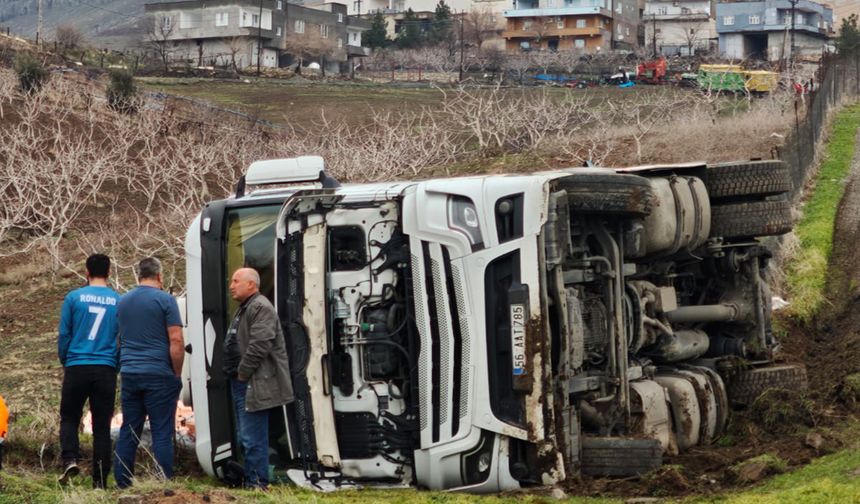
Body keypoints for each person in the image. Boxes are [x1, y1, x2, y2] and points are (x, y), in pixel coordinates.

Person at [114, 257, 184, 489]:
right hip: (159, 373)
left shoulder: (122, 301)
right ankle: (162, 483)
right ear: (160, 276)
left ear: (138, 275)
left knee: (129, 430)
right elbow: (176, 339)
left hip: (130, 373)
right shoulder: (166, 300)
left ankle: (123, 482)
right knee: (161, 431)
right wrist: (177, 373)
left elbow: (119, 339)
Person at [223, 268, 293, 490]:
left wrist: (243, 373)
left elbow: (260, 344)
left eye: (236, 281)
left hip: (252, 382)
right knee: (246, 435)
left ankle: (257, 484)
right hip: (242, 382)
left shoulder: (260, 307)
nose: (231, 285)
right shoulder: (245, 308)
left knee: (253, 437)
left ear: (251, 284)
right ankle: (252, 480)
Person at [57, 253, 120, 488]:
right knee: (102, 426)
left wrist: (66, 359)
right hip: (105, 367)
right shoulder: (118, 300)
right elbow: (120, 339)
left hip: (77, 365)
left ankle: (70, 460)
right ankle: (101, 480)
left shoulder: (74, 298)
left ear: (86, 272)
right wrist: (116, 364)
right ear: (109, 272)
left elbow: (65, 334)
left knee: (70, 416)